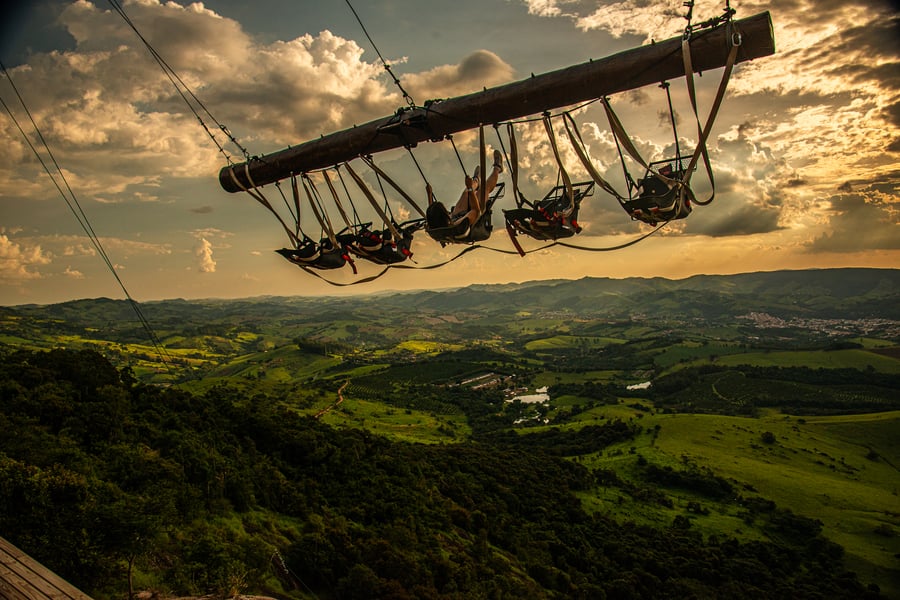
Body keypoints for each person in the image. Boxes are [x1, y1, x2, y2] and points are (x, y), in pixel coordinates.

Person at [427, 150, 503, 229]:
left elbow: (432, 217)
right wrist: (470, 188)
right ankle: (498, 168)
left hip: (454, 217)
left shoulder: (434, 228)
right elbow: (475, 211)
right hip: (468, 217)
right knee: (483, 190)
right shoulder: (457, 225)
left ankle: (477, 180)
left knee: (466, 193)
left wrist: (429, 194)